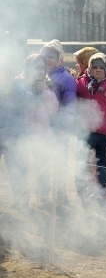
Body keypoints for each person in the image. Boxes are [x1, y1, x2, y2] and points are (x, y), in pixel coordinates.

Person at [1, 55, 58, 208]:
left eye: (42, 68)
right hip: (22, 133)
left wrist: (44, 91)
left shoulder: (48, 85)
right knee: (20, 167)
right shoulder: (18, 83)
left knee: (42, 166)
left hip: (41, 133)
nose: (39, 71)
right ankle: (21, 199)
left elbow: (53, 109)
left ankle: (43, 197)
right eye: (35, 67)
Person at [75, 53, 106, 199]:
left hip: (103, 132)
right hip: (85, 131)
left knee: (101, 160)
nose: (97, 70)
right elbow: (75, 104)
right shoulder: (81, 84)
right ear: (89, 68)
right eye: (94, 67)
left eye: (101, 68)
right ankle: (82, 187)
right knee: (83, 159)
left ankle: (103, 188)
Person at [41, 39, 77, 205]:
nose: (48, 59)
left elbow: (70, 106)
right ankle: (44, 194)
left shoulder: (66, 78)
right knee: (43, 161)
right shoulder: (39, 74)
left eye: (52, 56)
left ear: (61, 58)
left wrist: (65, 127)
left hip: (59, 128)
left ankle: (61, 192)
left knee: (60, 161)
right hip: (41, 127)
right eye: (46, 56)